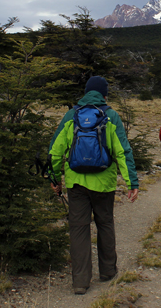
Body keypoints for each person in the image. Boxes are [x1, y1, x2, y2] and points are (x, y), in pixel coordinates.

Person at [48, 76, 139, 295]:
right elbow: (122, 151)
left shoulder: (72, 115)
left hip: (76, 182)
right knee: (105, 224)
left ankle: (80, 281)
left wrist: (54, 179)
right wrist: (131, 182)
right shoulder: (111, 116)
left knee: (78, 229)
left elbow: (55, 150)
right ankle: (108, 271)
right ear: (104, 94)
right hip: (104, 182)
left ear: (86, 93)